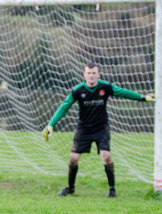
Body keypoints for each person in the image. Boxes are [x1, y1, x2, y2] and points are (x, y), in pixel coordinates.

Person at [43, 62, 155, 198]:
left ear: (98, 74)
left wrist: (142, 97)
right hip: (83, 128)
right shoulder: (78, 90)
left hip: (101, 128)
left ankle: (112, 190)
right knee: (73, 159)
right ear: (84, 75)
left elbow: (123, 93)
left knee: (106, 157)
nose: (91, 76)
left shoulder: (105, 87)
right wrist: (51, 124)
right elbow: (64, 107)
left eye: (93, 73)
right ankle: (71, 188)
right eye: (88, 73)